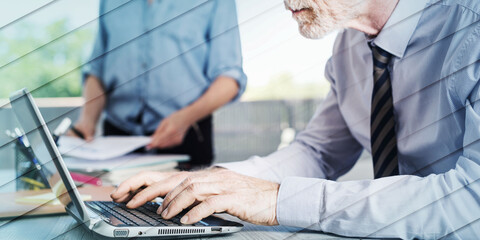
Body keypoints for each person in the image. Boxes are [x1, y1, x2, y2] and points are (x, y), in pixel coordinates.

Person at [110, 0, 480, 238]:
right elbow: (318, 152)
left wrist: (278, 201)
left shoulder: (472, 29)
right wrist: (208, 184)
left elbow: (471, 202)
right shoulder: (350, 45)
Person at [70, 0, 247, 169]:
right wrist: (87, 120)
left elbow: (229, 79)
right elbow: (96, 71)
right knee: (102, 200)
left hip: (187, 138)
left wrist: (186, 117)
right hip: (116, 141)